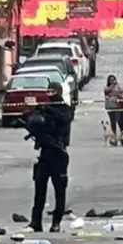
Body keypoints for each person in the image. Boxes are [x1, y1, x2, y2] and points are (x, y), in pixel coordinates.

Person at [23, 82, 72, 233]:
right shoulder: (43, 109)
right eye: (48, 91)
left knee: (60, 191)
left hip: (58, 154)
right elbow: (30, 120)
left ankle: (56, 222)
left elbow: (64, 119)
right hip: (44, 155)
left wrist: (46, 108)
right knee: (39, 190)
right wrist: (30, 113)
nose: (50, 94)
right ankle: (35, 221)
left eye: (52, 91)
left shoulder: (65, 109)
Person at [105, 75, 123, 146]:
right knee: (113, 121)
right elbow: (107, 91)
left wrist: (118, 93)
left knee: (119, 119)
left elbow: (122, 92)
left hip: (117, 105)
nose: (112, 81)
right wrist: (112, 85)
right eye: (110, 80)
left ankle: (122, 136)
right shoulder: (107, 87)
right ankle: (114, 137)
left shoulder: (118, 86)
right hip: (110, 106)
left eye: (113, 79)